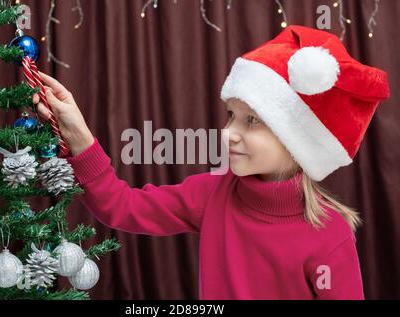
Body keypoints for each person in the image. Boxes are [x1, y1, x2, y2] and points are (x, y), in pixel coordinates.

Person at [33, 25, 390, 299]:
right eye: (231, 116)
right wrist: (80, 138)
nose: (228, 133)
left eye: (251, 121)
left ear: (296, 141)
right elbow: (121, 207)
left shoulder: (329, 234)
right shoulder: (211, 194)